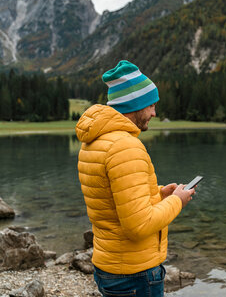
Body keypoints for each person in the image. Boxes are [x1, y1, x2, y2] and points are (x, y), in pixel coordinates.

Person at [75, 60, 195, 297]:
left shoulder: (96, 141)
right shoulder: (125, 147)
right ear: (135, 104)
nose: (154, 113)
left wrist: (159, 194)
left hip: (111, 266)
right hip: (134, 273)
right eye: (151, 105)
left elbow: (113, 200)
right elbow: (138, 226)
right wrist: (177, 201)